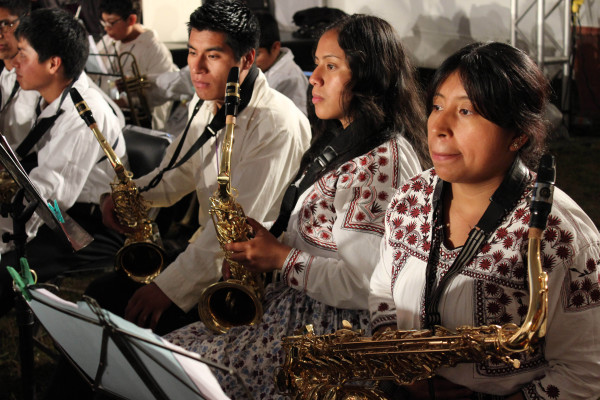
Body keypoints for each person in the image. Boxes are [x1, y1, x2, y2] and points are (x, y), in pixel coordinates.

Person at [164, 14, 430, 399]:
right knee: (170, 358)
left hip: (329, 337)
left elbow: (370, 285)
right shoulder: (346, 138)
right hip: (299, 313)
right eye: (317, 63)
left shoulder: (379, 163)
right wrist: (265, 239)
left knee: (179, 369)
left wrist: (281, 259)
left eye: (331, 66)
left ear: (369, 76)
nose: (313, 78)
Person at [369, 41, 600, 399]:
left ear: (518, 134)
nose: (439, 127)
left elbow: (587, 372)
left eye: (466, 112)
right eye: (437, 106)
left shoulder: (561, 235)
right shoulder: (410, 198)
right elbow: (383, 289)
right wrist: (395, 358)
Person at [85, 0, 311, 336]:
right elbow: (176, 172)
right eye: (192, 52)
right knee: (101, 295)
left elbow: (236, 230)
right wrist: (125, 197)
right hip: (206, 251)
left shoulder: (277, 124)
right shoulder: (208, 100)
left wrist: (168, 289)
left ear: (246, 59)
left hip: (244, 277)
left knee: (123, 312)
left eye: (213, 55)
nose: (196, 67)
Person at [0, 7, 126, 317]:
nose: (14, 62)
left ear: (54, 63)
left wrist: (3, 243)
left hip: (84, 225)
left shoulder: (84, 112)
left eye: (24, 55)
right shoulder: (50, 96)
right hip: (58, 212)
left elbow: (48, 198)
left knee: (3, 272)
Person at [94, 0, 177, 130]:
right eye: (103, 22)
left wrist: (124, 101)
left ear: (131, 20)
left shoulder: (154, 49)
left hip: (141, 125)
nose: (106, 28)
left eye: (111, 22)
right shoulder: (108, 41)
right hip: (109, 115)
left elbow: (163, 92)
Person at [0, 0, 38, 148]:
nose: (0, 35)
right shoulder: (5, 74)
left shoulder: (42, 79)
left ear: (25, 20)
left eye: (5, 24)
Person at [255, 11, 308, 115]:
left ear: (275, 47)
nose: (249, 60)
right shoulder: (262, 68)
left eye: (257, 54)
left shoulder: (291, 79)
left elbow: (297, 120)